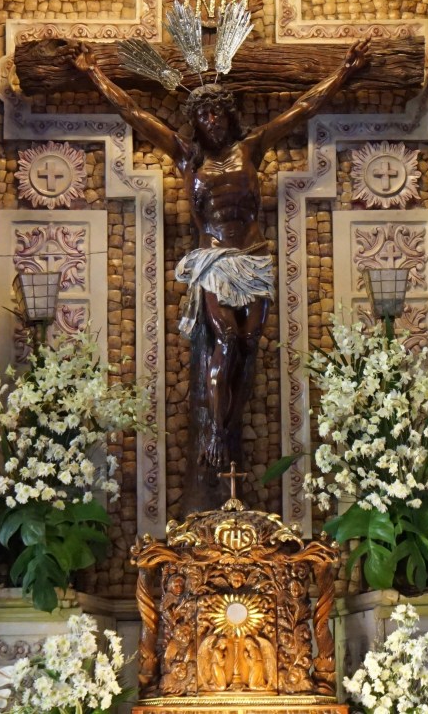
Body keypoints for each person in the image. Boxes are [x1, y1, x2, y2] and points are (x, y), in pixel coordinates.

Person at [71, 36, 368, 509]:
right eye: (204, 115)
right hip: (214, 261)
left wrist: (345, 73)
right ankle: (215, 431)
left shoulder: (251, 148)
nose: (211, 121)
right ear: (196, 121)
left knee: (248, 346)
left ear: (230, 117)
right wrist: (93, 74)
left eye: (218, 114)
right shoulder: (187, 157)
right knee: (226, 339)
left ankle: (225, 429)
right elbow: (135, 114)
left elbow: (302, 109)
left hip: (254, 258)